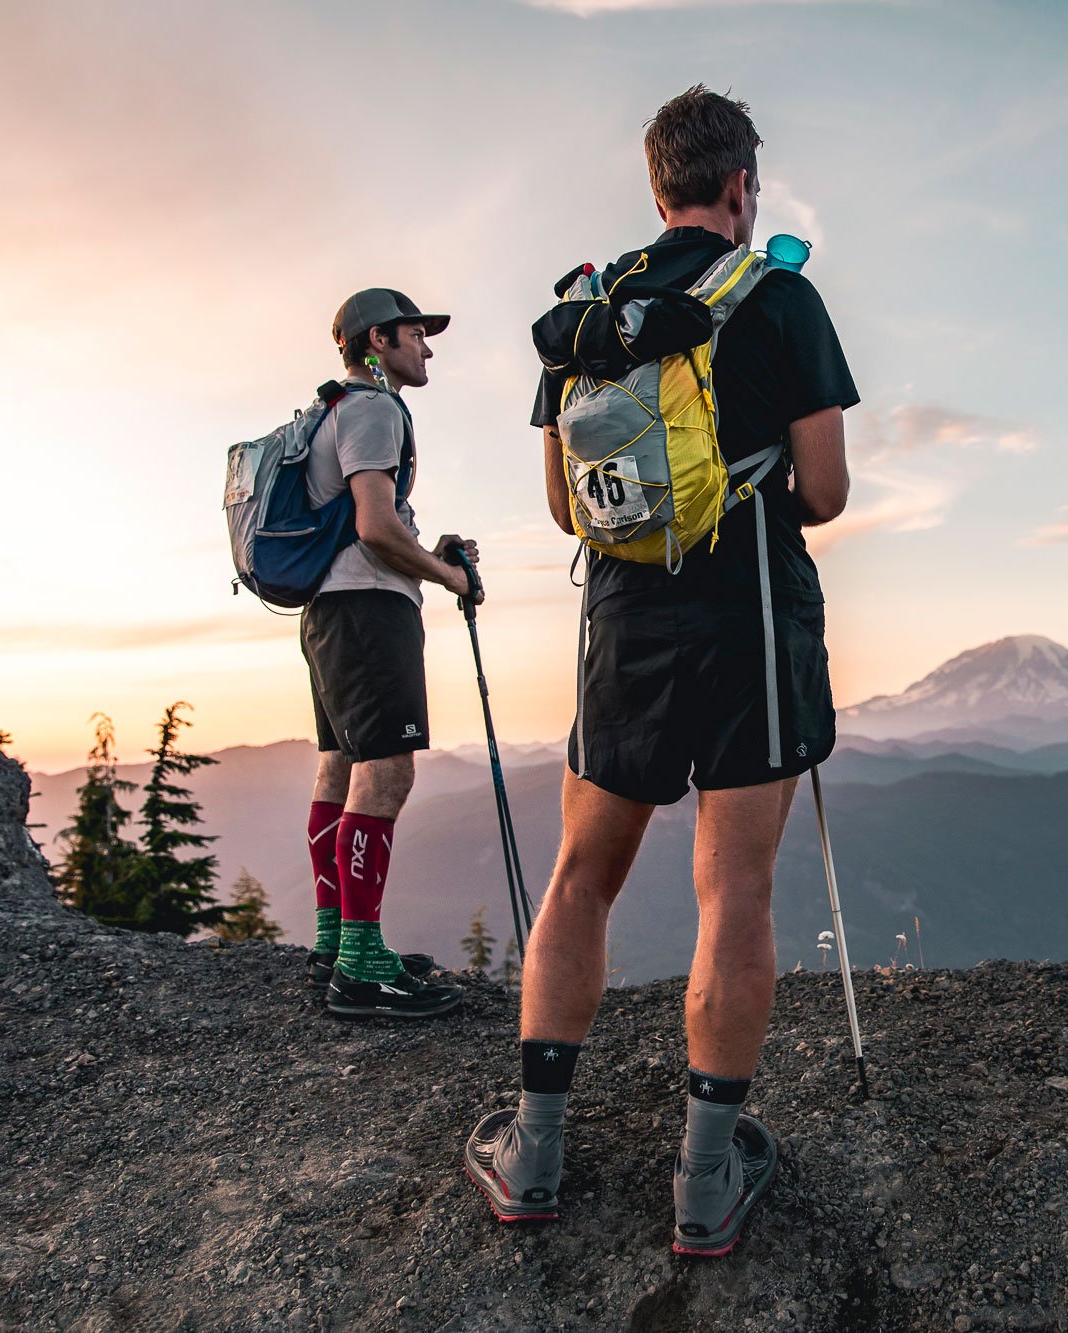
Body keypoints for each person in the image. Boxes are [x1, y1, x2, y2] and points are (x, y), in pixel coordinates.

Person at [465, 86, 857, 1256]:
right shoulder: (777, 295)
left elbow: (560, 505)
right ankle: (702, 1179)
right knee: (730, 891)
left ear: (655, 188)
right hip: (748, 615)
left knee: (583, 875)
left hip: (623, 624)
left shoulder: (586, 313)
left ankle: (532, 1152)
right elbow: (826, 491)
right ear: (742, 184)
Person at [301, 289, 476, 1019]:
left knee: (340, 765)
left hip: (330, 609)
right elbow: (375, 527)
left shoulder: (333, 410)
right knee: (388, 770)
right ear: (378, 340)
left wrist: (421, 551)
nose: (427, 347)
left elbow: (371, 520)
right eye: (416, 333)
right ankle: (363, 968)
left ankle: (337, 942)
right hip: (370, 610)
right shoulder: (374, 407)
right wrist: (447, 574)